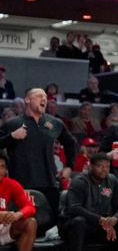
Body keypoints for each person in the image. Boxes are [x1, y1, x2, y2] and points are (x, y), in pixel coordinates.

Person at [0, 87, 77, 216]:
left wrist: (69, 166)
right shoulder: (13, 124)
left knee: (52, 224)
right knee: (24, 223)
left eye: (46, 98)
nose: (44, 99)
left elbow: (71, 143)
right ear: (27, 100)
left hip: (49, 183)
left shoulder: (55, 123)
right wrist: (11, 137)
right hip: (21, 184)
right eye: (39, 96)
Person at [0, 155, 39, 251]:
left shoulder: (11, 184)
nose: (0, 170)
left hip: (3, 229)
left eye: (2, 167)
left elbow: (30, 207)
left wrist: (18, 215)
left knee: (30, 223)